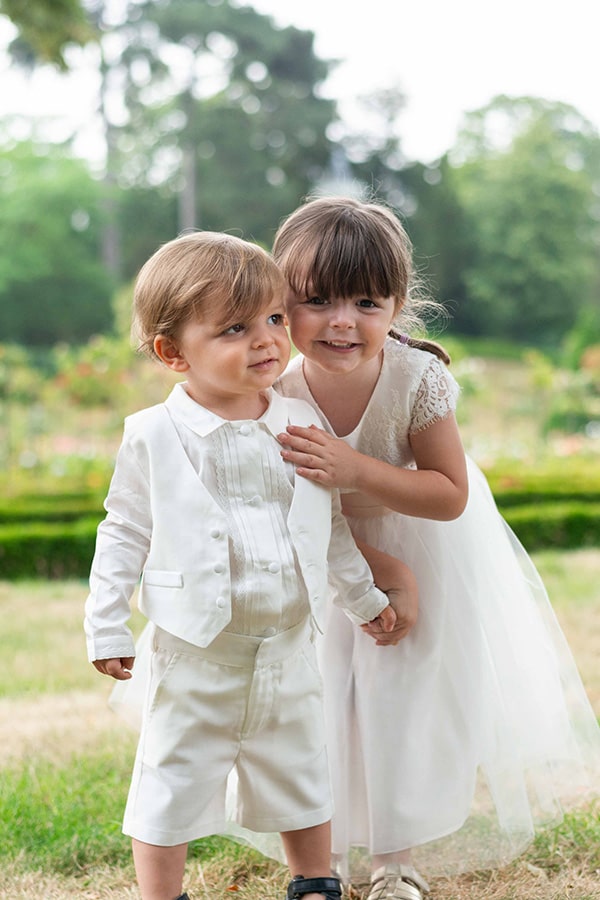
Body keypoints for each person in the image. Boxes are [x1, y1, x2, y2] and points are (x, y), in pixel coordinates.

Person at [269, 195, 600, 900]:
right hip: (318, 554)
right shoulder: (275, 386)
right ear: (282, 302)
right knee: (318, 696)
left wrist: (356, 470)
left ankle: (396, 861)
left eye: (366, 302)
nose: (341, 321)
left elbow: (450, 493)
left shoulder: (416, 379)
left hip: (417, 540)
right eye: (318, 300)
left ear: (396, 304)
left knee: (400, 700)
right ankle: (322, 857)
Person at [84, 230, 416, 900]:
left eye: (272, 318)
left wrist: (364, 598)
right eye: (235, 329)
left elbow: (326, 527)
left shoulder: (298, 421)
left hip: (288, 645)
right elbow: (123, 532)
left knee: (301, 770)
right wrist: (107, 624)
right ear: (173, 353)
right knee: (170, 778)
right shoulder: (152, 435)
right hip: (194, 650)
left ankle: (314, 881)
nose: (266, 340)